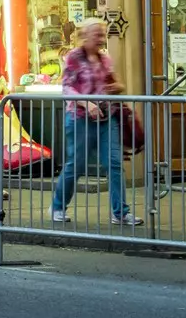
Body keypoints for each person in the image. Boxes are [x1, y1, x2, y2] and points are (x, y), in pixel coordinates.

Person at [51, 20, 140, 227]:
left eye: (102, 34)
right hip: (80, 119)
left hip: (107, 117)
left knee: (114, 163)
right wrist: (86, 102)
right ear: (85, 36)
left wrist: (116, 87)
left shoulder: (105, 58)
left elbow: (116, 82)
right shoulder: (73, 57)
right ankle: (58, 206)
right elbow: (67, 88)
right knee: (76, 164)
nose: (101, 39)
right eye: (97, 35)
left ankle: (120, 212)